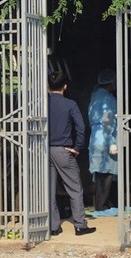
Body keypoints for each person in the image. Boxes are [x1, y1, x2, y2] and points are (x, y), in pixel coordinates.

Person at [48, 71, 95, 237]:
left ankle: (53, 227)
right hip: (63, 150)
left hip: (45, 151)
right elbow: (80, 127)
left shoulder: (42, 104)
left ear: (47, 86)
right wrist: (77, 147)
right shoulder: (70, 104)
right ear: (65, 87)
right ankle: (80, 225)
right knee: (75, 189)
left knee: (49, 189)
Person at [88, 68, 118, 211]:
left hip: (95, 138)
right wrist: (112, 141)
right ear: (111, 83)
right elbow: (108, 122)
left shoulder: (94, 97)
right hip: (105, 138)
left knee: (99, 173)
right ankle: (102, 206)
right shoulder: (108, 99)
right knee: (106, 174)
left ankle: (100, 204)